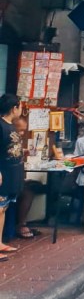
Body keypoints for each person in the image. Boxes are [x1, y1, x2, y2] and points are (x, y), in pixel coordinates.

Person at [0, 94, 24, 256]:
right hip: (4, 174)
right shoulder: (1, 126)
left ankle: (0, 243)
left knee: (3, 209)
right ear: (13, 108)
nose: (21, 110)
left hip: (12, 174)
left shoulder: (11, 125)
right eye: (20, 106)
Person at [14, 115, 44, 239]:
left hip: (17, 177)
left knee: (32, 187)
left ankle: (22, 223)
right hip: (10, 179)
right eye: (19, 130)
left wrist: (25, 151)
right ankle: (21, 225)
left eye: (23, 130)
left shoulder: (17, 140)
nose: (21, 133)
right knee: (27, 191)